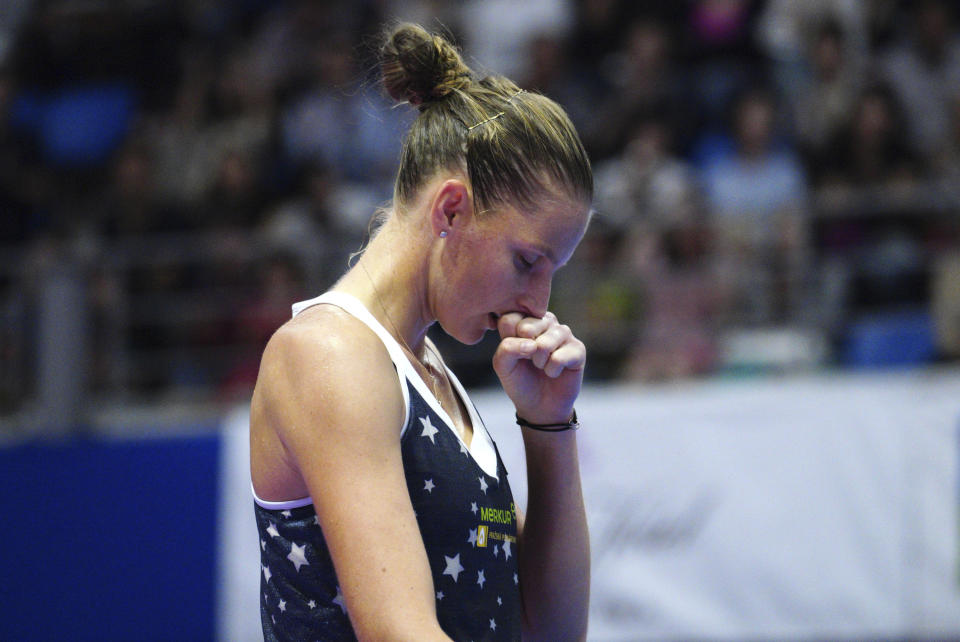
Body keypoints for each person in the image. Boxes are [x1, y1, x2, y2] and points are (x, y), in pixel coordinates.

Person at [249, 22, 592, 641]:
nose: (538, 302)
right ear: (451, 210)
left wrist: (549, 426)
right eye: (526, 262)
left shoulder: (430, 375)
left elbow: (552, 634)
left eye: (552, 273)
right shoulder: (330, 354)